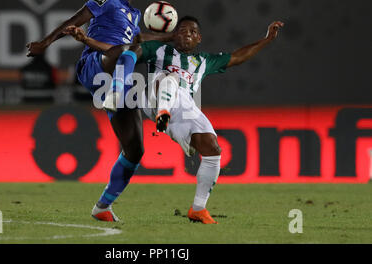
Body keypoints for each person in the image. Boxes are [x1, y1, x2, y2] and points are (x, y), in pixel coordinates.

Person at [63, 16, 284, 224]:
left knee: (213, 149)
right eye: (182, 30)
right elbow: (124, 51)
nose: (187, 34)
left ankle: (198, 208)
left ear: (199, 38)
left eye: (193, 31)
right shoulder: (158, 49)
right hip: (154, 97)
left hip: (185, 107)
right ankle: (162, 114)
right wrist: (89, 41)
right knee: (170, 77)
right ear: (174, 35)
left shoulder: (205, 61)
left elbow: (238, 56)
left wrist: (266, 39)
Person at [26, 0, 172, 222]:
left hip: (119, 72)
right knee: (125, 51)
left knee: (134, 150)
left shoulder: (135, 14)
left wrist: (170, 38)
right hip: (95, 64)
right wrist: (45, 43)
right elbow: (74, 20)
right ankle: (114, 93)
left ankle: (103, 206)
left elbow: (138, 42)